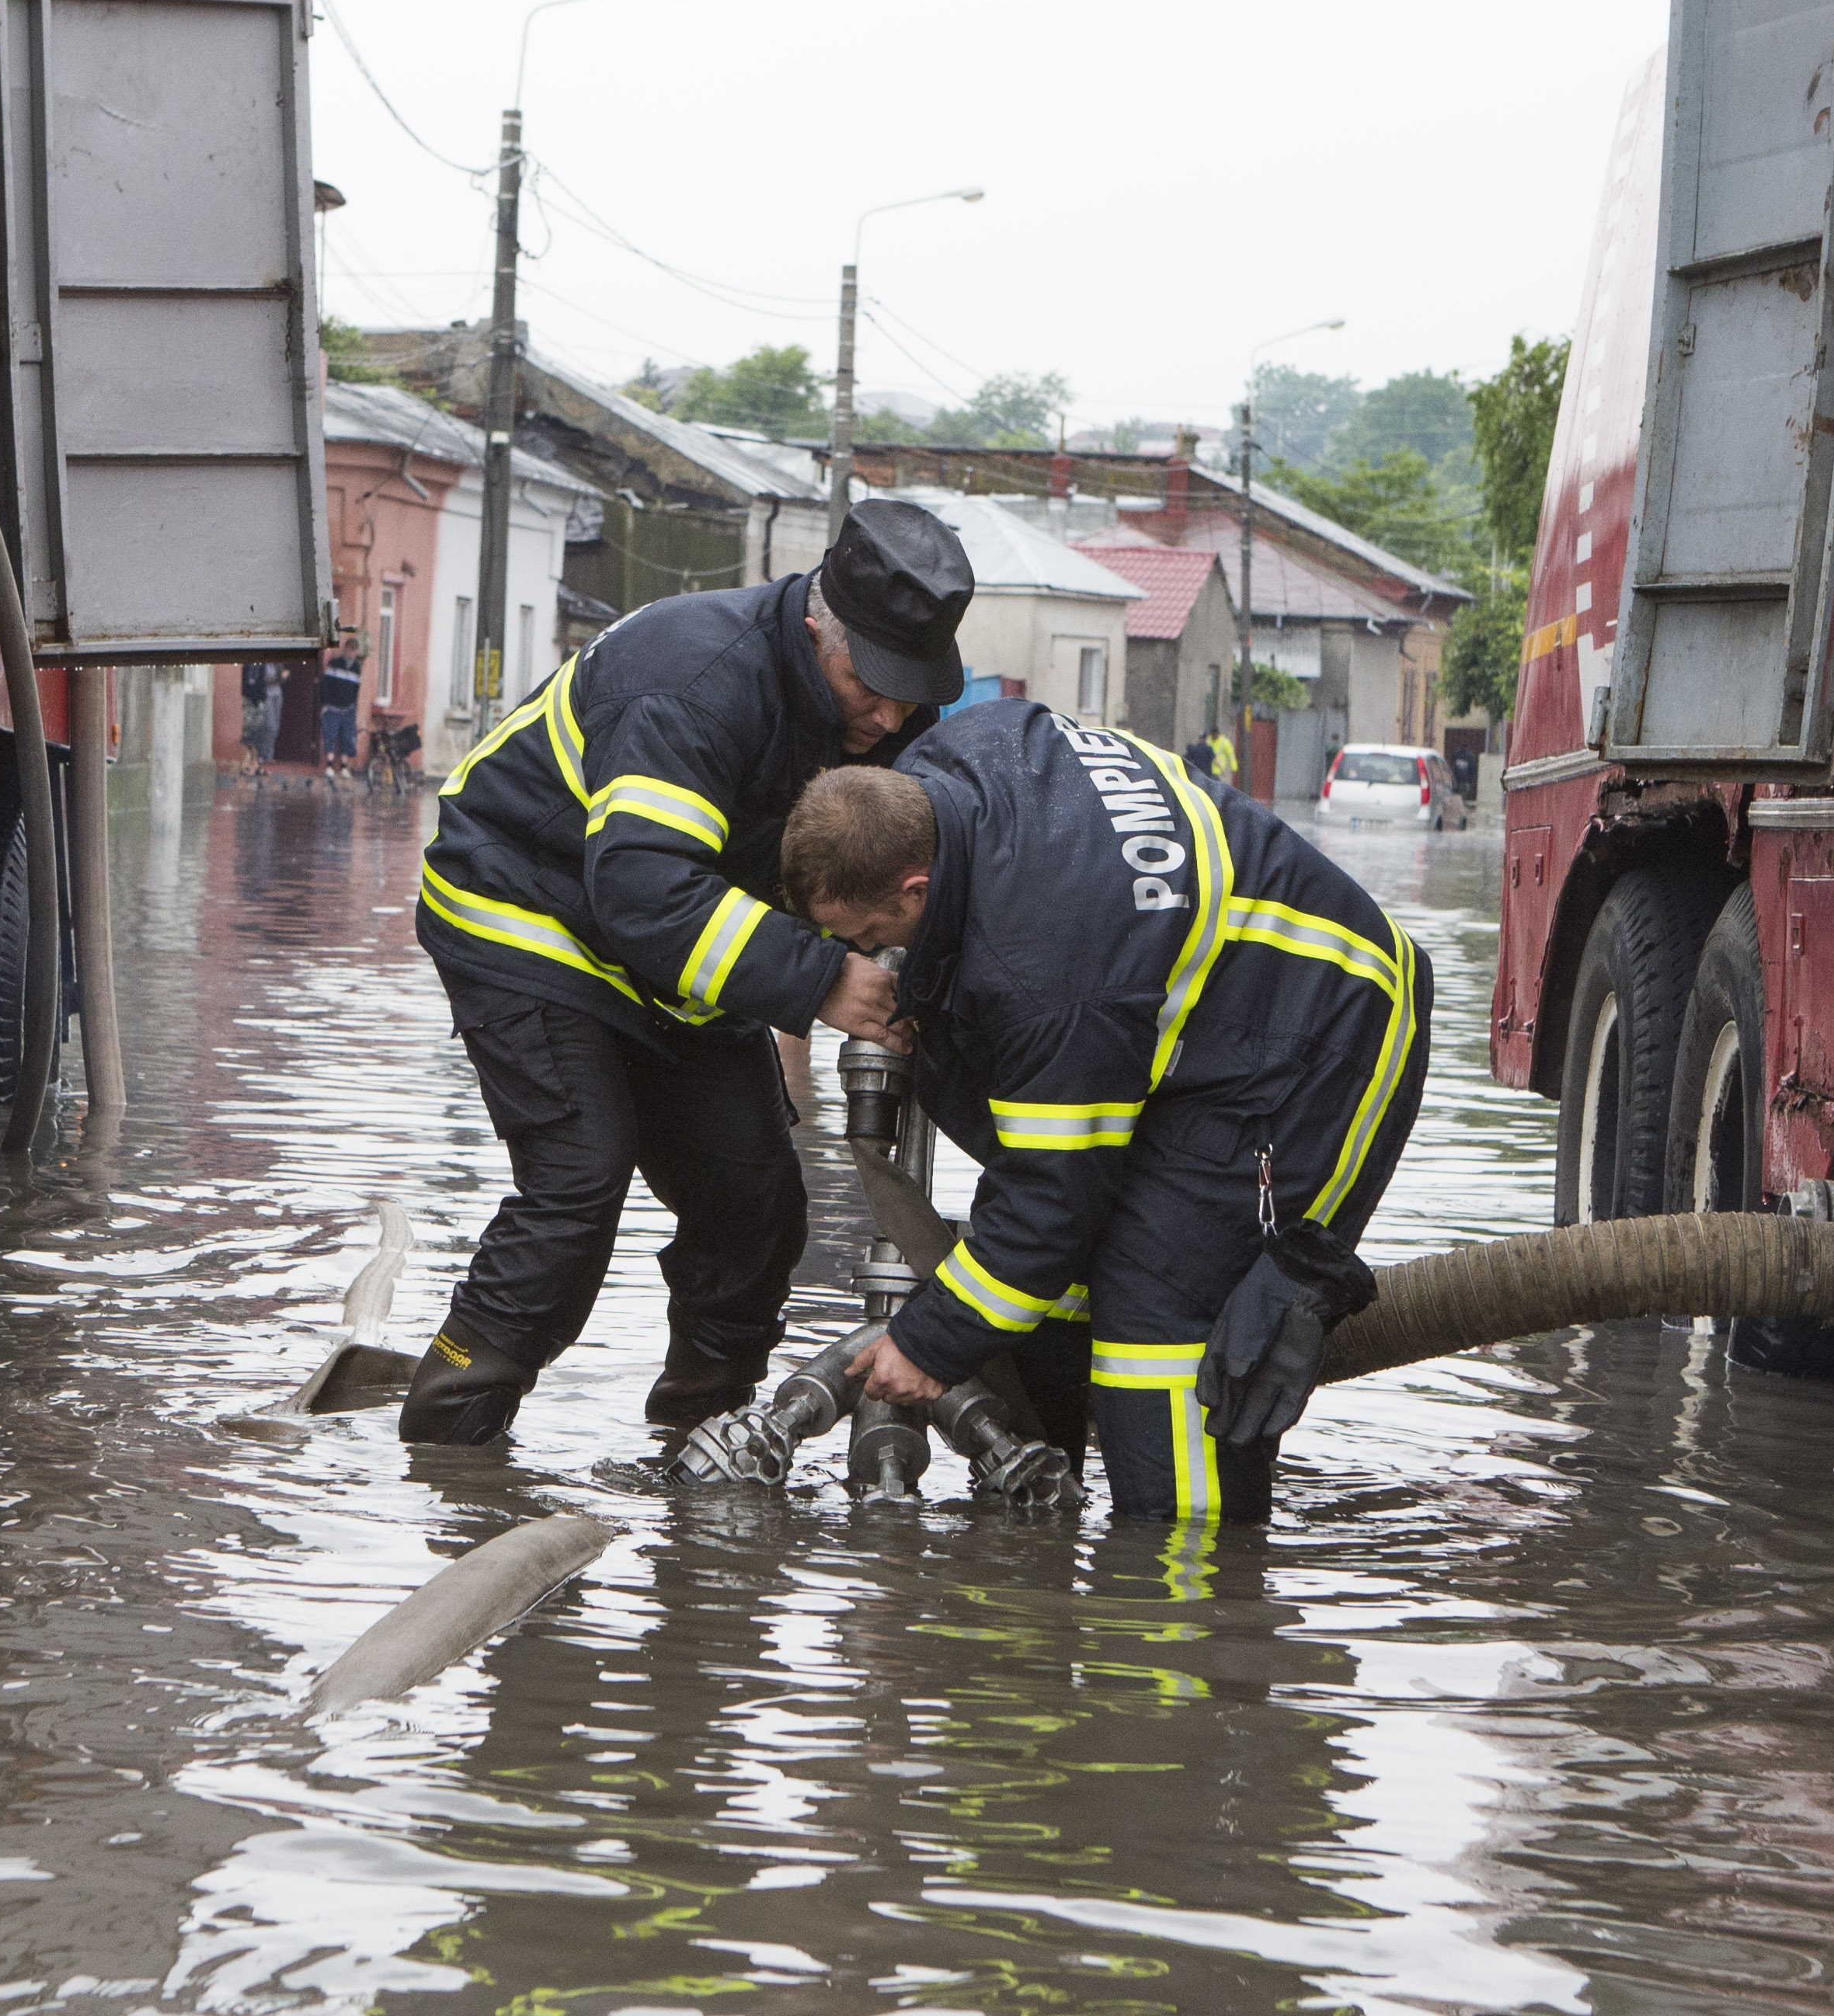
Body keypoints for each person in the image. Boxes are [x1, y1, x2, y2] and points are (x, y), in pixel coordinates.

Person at [402, 499, 979, 1444]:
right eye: (870, 685)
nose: (890, 716)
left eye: (912, 693)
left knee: (755, 1202)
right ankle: (450, 1440)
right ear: (816, 629)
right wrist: (823, 982)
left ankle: (704, 1447)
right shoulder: (691, 677)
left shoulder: (885, 713)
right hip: (529, 910)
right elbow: (644, 893)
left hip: (681, 952)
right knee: (578, 1183)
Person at [778, 702, 1428, 1516]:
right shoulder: (954, 762)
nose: (867, 957)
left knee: (1160, 1327)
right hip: (1192, 1010)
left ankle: (1184, 1568)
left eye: (872, 936)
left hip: (1316, 1037)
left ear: (916, 887)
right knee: (1056, 1303)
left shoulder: (1049, 978)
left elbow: (1048, 1210)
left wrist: (925, 1344)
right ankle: (1046, 1527)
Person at [317, 634, 364, 777]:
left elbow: (356, 690)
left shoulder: (356, 668)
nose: (352, 653)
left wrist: (355, 707)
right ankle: (329, 766)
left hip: (349, 708)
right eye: (350, 649)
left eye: (355, 650)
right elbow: (326, 685)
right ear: (345, 649)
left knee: (348, 737)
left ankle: (344, 767)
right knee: (330, 735)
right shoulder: (335, 664)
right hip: (332, 707)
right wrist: (325, 704)